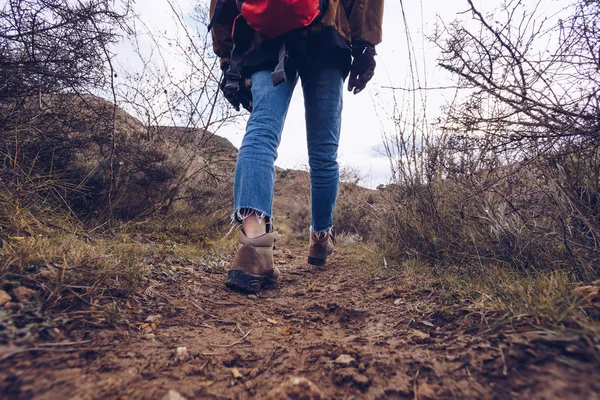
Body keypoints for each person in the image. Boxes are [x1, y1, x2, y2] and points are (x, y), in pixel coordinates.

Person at [209, 0, 384, 293]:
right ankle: (319, 240)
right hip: (327, 35)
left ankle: (253, 247)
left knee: (261, 130)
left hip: (264, 36)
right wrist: (365, 45)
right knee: (323, 152)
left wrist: (227, 57)